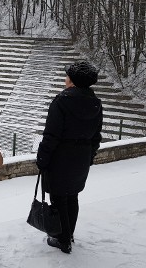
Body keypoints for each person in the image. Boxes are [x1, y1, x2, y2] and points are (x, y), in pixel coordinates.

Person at [36, 60, 103, 254]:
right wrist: (89, 156)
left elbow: (51, 135)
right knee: (72, 196)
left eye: (67, 76)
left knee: (58, 197)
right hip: (81, 157)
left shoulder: (61, 101)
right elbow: (96, 136)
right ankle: (69, 233)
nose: (65, 79)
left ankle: (62, 239)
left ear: (72, 81)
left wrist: (43, 158)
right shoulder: (95, 103)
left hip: (61, 156)